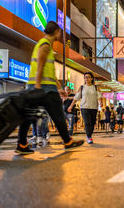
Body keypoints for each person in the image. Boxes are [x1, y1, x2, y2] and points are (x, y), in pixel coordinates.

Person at [15, 21, 84, 154]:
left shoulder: (44, 44)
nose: (60, 34)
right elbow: (40, 67)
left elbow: (48, 72)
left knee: (29, 115)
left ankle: (21, 144)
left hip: (41, 87)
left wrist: (59, 87)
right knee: (57, 114)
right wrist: (38, 87)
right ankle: (67, 141)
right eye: (60, 32)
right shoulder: (45, 45)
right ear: (57, 31)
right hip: (43, 89)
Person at [68, 72, 102, 144]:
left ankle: (89, 135)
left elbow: (99, 96)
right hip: (84, 107)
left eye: (88, 77)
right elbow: (76, 97)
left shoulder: (95, 87)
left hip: (94, 107)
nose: (87, 78)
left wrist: (100, 102)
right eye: (85, 77)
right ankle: (89, 137)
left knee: (92, 123)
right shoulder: (82, 87)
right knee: (87, 123)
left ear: (92, 78)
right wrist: (71, 106)